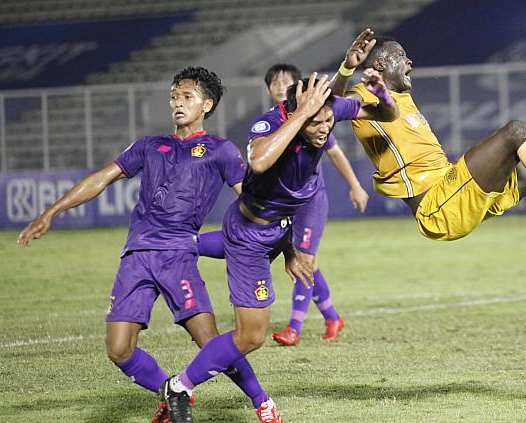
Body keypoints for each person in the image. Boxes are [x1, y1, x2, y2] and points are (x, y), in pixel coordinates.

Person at [16, 67, 257, 422]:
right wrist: (52, 211)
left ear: (206, 104)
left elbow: (251, 203)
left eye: (187, 97)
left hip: (178, 255)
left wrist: (275, 242)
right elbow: (102, 177)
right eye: (174, 96)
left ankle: (261, 400)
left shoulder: (220, 151)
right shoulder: (150, 145)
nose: (177, 103)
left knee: (210, 342)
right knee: (118, 349)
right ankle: (172, 392)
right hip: (136, 255)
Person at [159, 70, 398, 423]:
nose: (324, 129)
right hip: (250, 239)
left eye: (329, 121)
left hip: (278, 229)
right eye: (316, 122)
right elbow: (257, 161)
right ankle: (180, 386)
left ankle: (179, 246)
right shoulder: (268, 125)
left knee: (262, 308)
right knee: (251, 336)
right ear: (296, 113)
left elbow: (385, 115)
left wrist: (382, 94)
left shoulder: (325, 110)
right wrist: (302, 114)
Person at [330, 34, 526, 298]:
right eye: (401, 56)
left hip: (454, 194)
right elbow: (330, 103)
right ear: (380, 64)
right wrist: (347, 69)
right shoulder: (362, 96)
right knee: (516, 131)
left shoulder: (402, 98)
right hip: (436, 206)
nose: (409, 62)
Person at [197, 60, 372, 347]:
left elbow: (336, 147)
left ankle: (294, 326)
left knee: (306, 259)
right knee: (302, 259)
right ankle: (331, 315)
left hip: (310, 199)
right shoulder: (272, 123)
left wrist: (355, 185)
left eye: (285, 82)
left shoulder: (316, 118)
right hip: (280, 205)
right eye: (275, 83)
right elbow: (259, 160)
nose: (280, 87)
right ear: (268, 89)